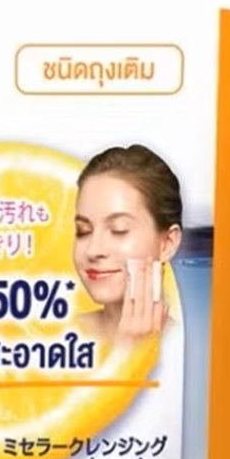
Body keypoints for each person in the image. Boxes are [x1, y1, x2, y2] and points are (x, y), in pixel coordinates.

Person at [72, 144, 182, 349]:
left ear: (168, 243)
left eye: (119, 229)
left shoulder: (191, 343)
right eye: (83, 230)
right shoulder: (53, 338)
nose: (93, 250)